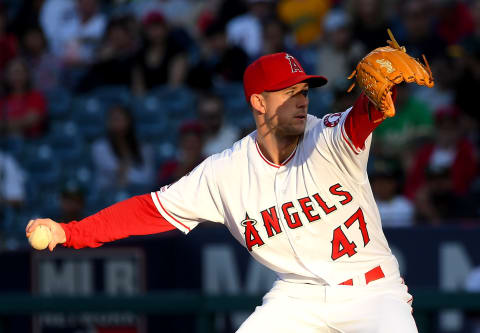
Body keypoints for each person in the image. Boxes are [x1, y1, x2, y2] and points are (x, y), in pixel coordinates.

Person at [26, 51, 420, 332]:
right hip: (298, 298)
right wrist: (69, 232)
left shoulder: (328, 137)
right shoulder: (225, 173)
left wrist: (380, 97)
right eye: (289, 93)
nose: (302, 101)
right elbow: (147, 211)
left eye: (304, 92)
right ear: (258, 103)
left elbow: (364, 118)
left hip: (372, 291)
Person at [91, 104, 155, 193]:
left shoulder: (144, 148)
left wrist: (125, 175)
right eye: (114, 120)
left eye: (122, 120)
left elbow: (147, 178)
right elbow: (111, 171)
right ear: (108, 123)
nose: (118, 125)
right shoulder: (99, 147)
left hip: (136, 195)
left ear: (129, 122)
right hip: (108, 197)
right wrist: (123, 173)